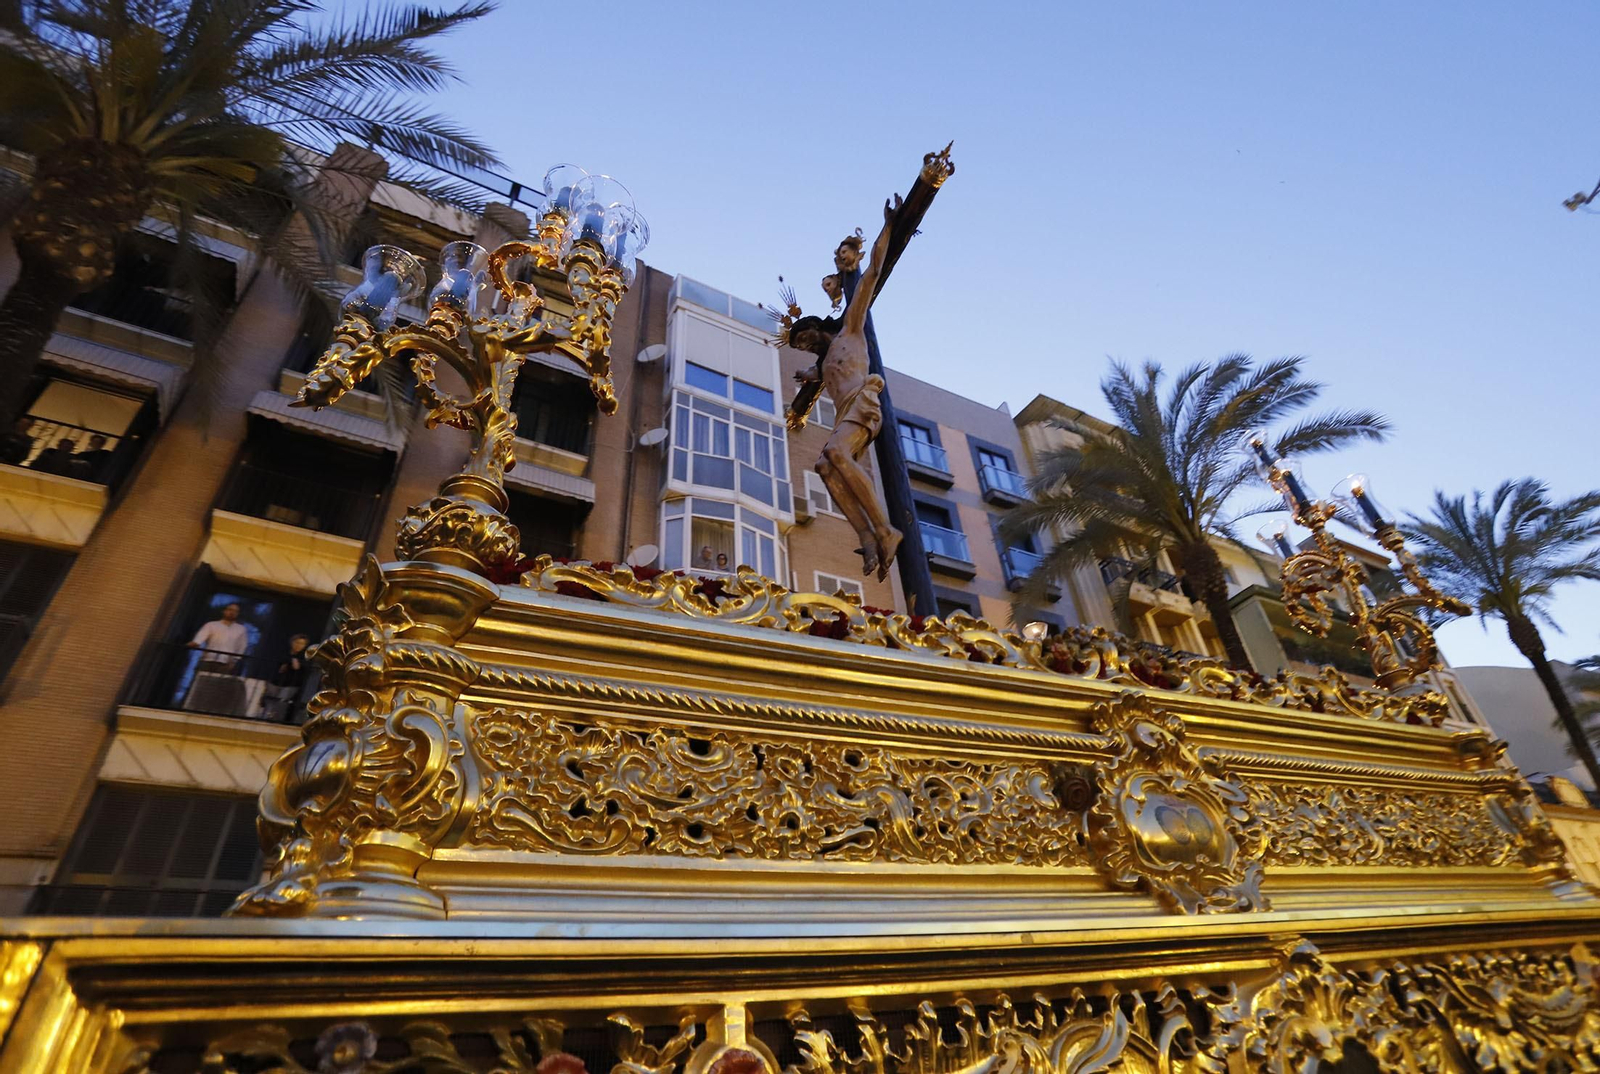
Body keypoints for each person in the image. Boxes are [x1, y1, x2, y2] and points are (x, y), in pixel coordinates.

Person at [789, 194, 905, 580]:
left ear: (817, 328)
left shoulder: (850, 330)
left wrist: (888, 226)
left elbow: (871, 272)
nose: (806, 347)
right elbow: (819, 375)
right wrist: (807, 380)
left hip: (864, 400)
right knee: (825, 464)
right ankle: (867, 536)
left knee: (838, 454)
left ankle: (887, 530)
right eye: (801, 347)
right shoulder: (822, 364)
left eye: (806, 339)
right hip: (845, 413)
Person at [189, 602, 251, 673]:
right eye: (230, 609)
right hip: (208, 660)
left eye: (235, 611)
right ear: (224, 611)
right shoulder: (211, 625)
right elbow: (200, 638)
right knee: (199, 681)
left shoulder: (241, 629)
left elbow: (242, 646)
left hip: (225, 663)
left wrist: (234, 661)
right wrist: (195, 643)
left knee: (217, 683)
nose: (232, 612)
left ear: (238, 614)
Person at [267, 634, 311, 722]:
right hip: (275, 681)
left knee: (282, 702)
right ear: (292, 642)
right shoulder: (284, 652)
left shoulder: (304, 657)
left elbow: (297, 667)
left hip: (291, 684)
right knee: (270, 701)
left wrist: (293, 660)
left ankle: (276, 720)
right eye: (297, 642)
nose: (298, 645)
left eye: (302, 644)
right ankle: (266, 717)